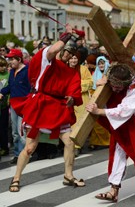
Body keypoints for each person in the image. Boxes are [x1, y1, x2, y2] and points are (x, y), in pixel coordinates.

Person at [8, 24, 85, 192]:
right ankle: (16, 178)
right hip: (40, 105)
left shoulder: (72, 72)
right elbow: (53, 49)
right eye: (67, 52)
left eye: (73, 54)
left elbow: (74, 90)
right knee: (30, 147)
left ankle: (68, 175)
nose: (69, 56)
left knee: (69, 142)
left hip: (58, 108)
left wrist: (72, 98)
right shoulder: (47, 61)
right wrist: (67, 35)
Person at [86, 63, 135, 202]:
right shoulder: (114, 75)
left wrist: (99, 111)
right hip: (127, 122)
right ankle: (114, 190)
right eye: (113, 85)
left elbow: (125, 110)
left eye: (118, 87)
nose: (114, 89)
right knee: (119, 149)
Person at [0, 49, 31, 164]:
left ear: (19, 59)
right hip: (13, 104)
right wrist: (2, 92)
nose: (9, 61)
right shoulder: (12, 72)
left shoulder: (27, 71)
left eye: (12, 59)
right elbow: (9, 86)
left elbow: (32, 88)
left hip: (24, 104)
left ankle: (25, 155)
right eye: (9, 59)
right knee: (14, 132)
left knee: (21, 130)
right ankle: (18, 154)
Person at [69, 51, 93, 156]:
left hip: (81, 99)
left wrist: (76, 86)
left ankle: (77, 146)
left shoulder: (83, 69)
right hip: (68, 100)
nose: (73, 60)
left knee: (79, 123)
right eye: (71, 58)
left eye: (75, 58)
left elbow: (90, 82)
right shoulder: (64, 69)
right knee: (69, 124)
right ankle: (69, 145)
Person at [89, 55, 111, 150]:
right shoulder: (95, 74)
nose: (101, 66)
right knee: (97, 123)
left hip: (108, 100)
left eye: (103, 63)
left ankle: (109, 141)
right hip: (97, 100)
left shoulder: (110, 73)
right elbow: (92, 87)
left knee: (107, 121)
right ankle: (95, 142)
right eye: (99, 64)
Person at [0, 56, 9, 158]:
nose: (2, 68)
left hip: (4, 105)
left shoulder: (8, 74)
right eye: (0, 66)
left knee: (4, 127)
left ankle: (4, 147)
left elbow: (9, 87)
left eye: (4, 66)